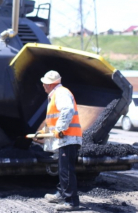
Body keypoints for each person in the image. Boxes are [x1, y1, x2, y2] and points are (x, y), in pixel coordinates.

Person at [38, 70, 82, 211]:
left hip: (68, 138)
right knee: (63, 169)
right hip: (65, 139)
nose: (43, 86)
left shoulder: (61, 93)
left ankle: (71, 201)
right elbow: (54, 118)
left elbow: (67, 110)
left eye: (44, 83)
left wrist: (61, 129)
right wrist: (44, 132)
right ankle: (62, 193)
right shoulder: (56, 94)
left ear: (49, 84)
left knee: (66, 171)